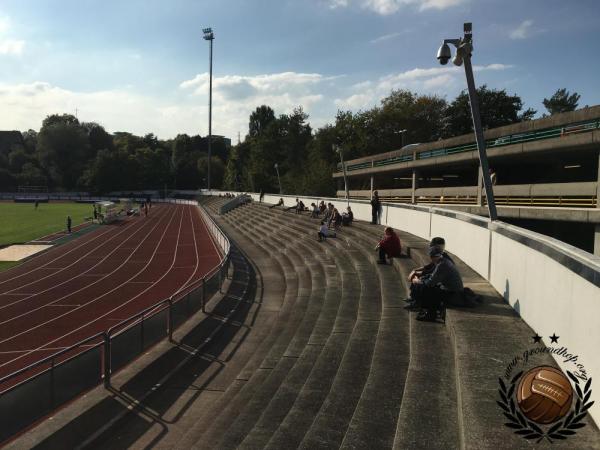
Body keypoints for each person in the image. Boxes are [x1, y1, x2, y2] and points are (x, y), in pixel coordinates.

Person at [410, 246, 464, 322]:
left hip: (453, 294)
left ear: (433, 257)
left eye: (431, 257)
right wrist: (422, 278)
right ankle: (426, 310)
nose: (431, 259)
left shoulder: (442, 265)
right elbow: (433, 276)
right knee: (427, 286)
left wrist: (417, 281)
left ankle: (430, 315)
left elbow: (430, 283)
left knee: (427, 289)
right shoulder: (443, 261)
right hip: (451, 290)